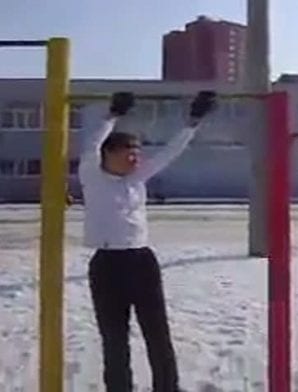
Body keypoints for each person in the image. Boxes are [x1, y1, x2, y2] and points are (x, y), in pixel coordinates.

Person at [79, 91, 217, 391]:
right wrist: (112, 116)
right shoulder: (93, 175)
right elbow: (91, 145)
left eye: (137, 152)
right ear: (109, 155)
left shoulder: (137, 178)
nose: (135, 157)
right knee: (114, 340)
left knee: (158, 334)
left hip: (142, 262)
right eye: (128, 152)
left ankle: (167, 387)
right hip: (107, 265)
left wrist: (192, 122)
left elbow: (169, 152)